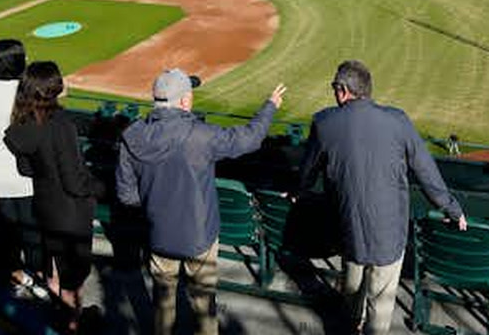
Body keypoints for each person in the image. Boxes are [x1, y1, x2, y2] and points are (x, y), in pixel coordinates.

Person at [299, 60, 466, 335]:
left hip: (349, 233)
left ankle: (352, 326)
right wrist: (452, 208)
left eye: (334, 88)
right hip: (388, 237)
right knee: (380, 307)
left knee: (351, 297)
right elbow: (426, 172)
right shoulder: (398, 121)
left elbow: (306, 173)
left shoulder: (324, 122)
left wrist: (298, 190)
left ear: (343, 91)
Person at [115, 69, 286, 335]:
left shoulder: (133, 135)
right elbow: (249, 139)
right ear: (184, 101)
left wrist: (156, 203)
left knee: (163, 304)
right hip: (199, 237)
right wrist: (270, 106)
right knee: (204, 306)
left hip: (159, 235)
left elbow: (126, 196)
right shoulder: (200, 135)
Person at [4, 61, 105, 326]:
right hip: (70, 213)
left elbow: (25, 169)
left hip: (44, 207)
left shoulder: (23, 121)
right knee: (72, 279)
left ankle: (65, 318)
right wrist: (100, 188)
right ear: (53, 87)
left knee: (56, 273)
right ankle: (72, 323)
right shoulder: (61, 124)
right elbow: (74, 183)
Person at [0, 39, 41, 289]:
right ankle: (39, 279)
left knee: (4, 233)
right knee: (32, 233)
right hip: (24, 178)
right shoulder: (27, 92)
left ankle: (14, 278)